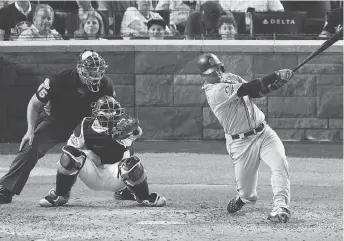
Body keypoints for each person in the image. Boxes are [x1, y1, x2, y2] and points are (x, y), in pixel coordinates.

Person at [0, 49, 117, 205]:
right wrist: (29, 130)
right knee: (31, 146)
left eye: (97, 69)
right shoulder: (58, 80)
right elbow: (34, 104)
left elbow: (110, 111)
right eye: (90, 68)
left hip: (86, 125)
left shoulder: (106, 84)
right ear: (79, 68)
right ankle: (6, 189)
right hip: (56, 122)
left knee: (120, 137)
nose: (94, 73)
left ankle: (127, 183)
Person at [197, 53, 293, 223]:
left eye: (218, 69)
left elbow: (255, 92)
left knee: (280, 163)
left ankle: (280, 206)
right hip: (240, 143)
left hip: (264, 133)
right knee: (248, 194)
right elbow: (246, 88)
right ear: (203, 76)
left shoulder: (229, 77)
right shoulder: (214, 92)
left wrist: (274, 85)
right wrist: (276, 75)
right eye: (211, 72)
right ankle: (243, 198)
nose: (217, 73)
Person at [39, 95, 166, 208]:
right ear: (97, 112)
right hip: (92, 173)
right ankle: (60, 194)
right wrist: (89, 153)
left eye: (113, 110)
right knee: (69, 156)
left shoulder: (123, 127)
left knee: (132, 164)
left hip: (116, 175)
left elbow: (137, 131)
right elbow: (71, 148)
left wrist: (130, 127)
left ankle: (143, 196)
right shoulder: (84, 125)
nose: (110, 114)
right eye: (106, 110)